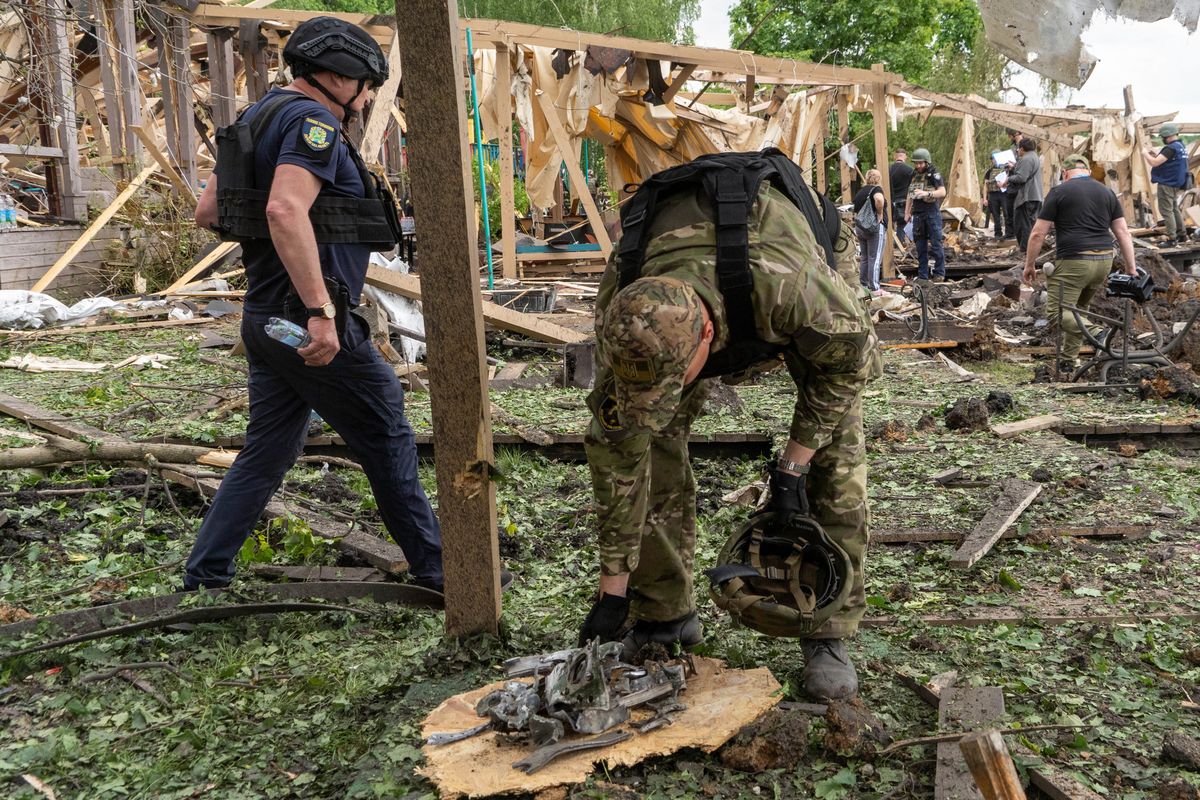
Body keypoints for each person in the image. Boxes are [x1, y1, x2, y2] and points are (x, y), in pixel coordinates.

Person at [578, 152, 880, 701]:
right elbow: (619, 460)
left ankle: (827, 629)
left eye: (673, 383)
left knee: (834, 448)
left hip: (799, 253)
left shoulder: (796, 292)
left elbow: (848, 368)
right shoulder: (621, 311)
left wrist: (792, 469)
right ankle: (663, 615)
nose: (661, 399)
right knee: (654, 443)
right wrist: (612, 590)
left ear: (705, 341)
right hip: (708, 278)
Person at [186, 18, 446, 592]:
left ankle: (206, 572)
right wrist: (321, 311)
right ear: (337, 74)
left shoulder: (257, 117)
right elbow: (283, 209)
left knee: (270, 448)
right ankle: (439, 569)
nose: (369, 96)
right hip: (302, 321)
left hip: (266, 318)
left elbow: (210, 213)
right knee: (385, 429)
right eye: (367, 85)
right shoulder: (312, 123)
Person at [1022, 154, 1138, 370]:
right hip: (1104, 261)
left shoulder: (1059, 192)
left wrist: (1029, 264)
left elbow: (1038, 233)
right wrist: (1131, 268)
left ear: (1065, 173)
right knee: (1078, 311)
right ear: (1087, 171)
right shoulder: (1107, 192)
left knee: (1057, 312)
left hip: (1074, 261)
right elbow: (1122, 231)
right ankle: (1067, 362)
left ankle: (1098, 333)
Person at [903, 148, 946, 281]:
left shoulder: (934, 173)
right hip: (918, 214)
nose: (918, 166)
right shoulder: (914, 174)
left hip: (932, 213)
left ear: (926, 162)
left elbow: (942, 192)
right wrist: (907, 212)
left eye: (921, 163)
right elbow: (910, 194)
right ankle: (923, 275)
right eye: (916, 163)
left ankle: (939, 273)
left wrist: (927, 194)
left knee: (936, 244)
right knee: (920, 246)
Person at [1143, 123, 1189, 243]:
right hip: (1177, 182)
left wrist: (1145, 154)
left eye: (1163, 137)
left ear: (1167, 136)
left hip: (1167, 183)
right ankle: (1182, 235)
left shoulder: (1170, 148)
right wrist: (1155, 154)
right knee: (1174, 208)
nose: (1163, 139)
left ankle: (1171, 237)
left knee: (1166, 210)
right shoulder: (1181, 146)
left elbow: (1154, 163)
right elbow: (1168, 161)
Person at [853, 168, 887, 293]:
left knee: (865, 257)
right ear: (878, 179)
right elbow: (878, 199)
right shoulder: (877, 190)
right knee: (875, 257)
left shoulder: (861, 192)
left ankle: (863, 285)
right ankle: (874, 287)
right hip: (874, 228)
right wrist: (880, 214)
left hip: (861, 228)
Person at [1007, 138, 1043, 252]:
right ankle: (1031, 249)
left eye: (1018, 149)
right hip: (1035, 196)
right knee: (1031, 224)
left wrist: (1008, 178)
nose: (1018, 151)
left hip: (1027, 197)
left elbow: (1021, 178)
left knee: (1023, 225)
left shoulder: (1026, 159)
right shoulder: (1034, 157)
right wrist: (1015, 167)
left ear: (1022, 148)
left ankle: (1025, 250)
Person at [888, 148, 915, 242]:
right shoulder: (910, 170)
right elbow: (913, 188)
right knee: (901, 224)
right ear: (905, 157)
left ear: (895, 156)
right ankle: (898, 243)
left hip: (890, 201)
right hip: (904, 202)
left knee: (888, 224)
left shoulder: (888, 169)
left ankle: (888, 245)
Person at [1001, 129, 1022, 240]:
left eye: (1010, 136)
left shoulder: (1024, 147)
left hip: (1018, 183)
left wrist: (1014, 166)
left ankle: (1018, 234)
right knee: (1009, 210)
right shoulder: (1013, 147)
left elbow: (1023, 166)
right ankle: (1010, 233)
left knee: (1017, 211)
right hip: (1011, 182)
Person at [981, 160, 1008, 239]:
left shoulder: (1006, 169)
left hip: (1004, 194)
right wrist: (985, 198)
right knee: (996, 215)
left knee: (1007, 214)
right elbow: (985, 185)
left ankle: (1009, 233)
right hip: (993, 195)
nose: (994, 161)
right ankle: (998, 233)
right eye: (993, 159)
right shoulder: (989, 171)